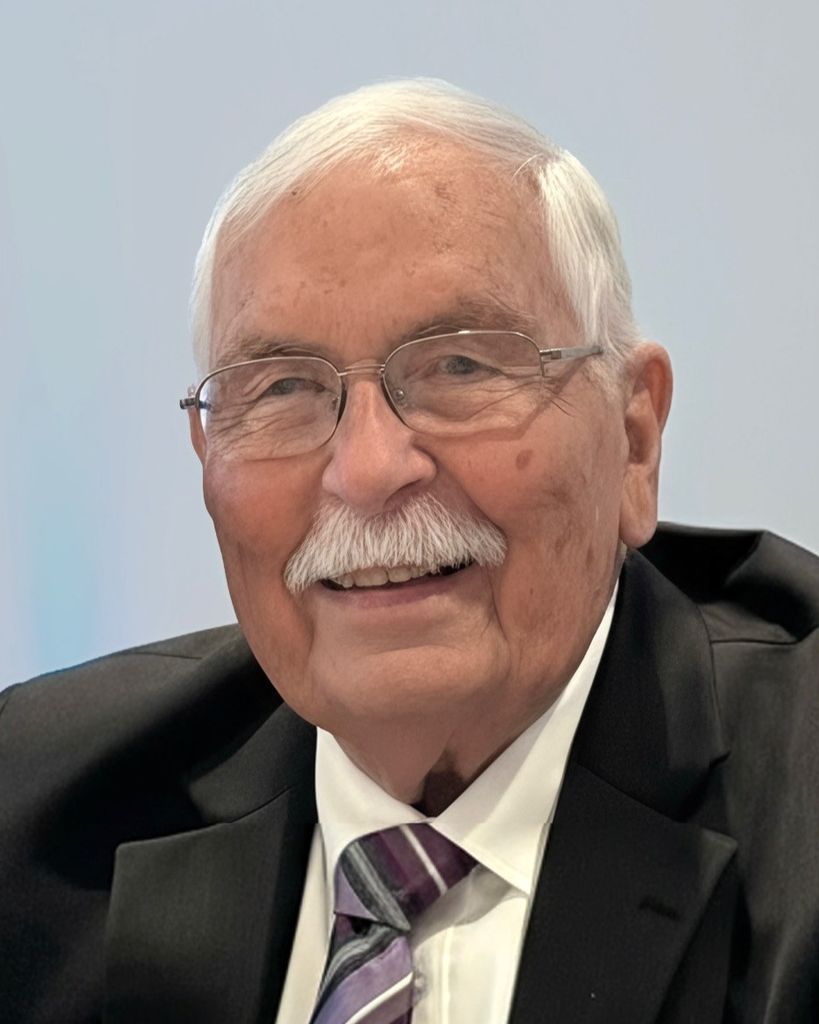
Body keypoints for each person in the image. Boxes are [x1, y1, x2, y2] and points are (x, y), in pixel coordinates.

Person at [1, 79, 817, 1024]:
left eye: (458, 366)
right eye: (281, 390)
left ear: (633, 439)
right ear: (205, 454)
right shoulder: (35, 808)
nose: (366, 469)